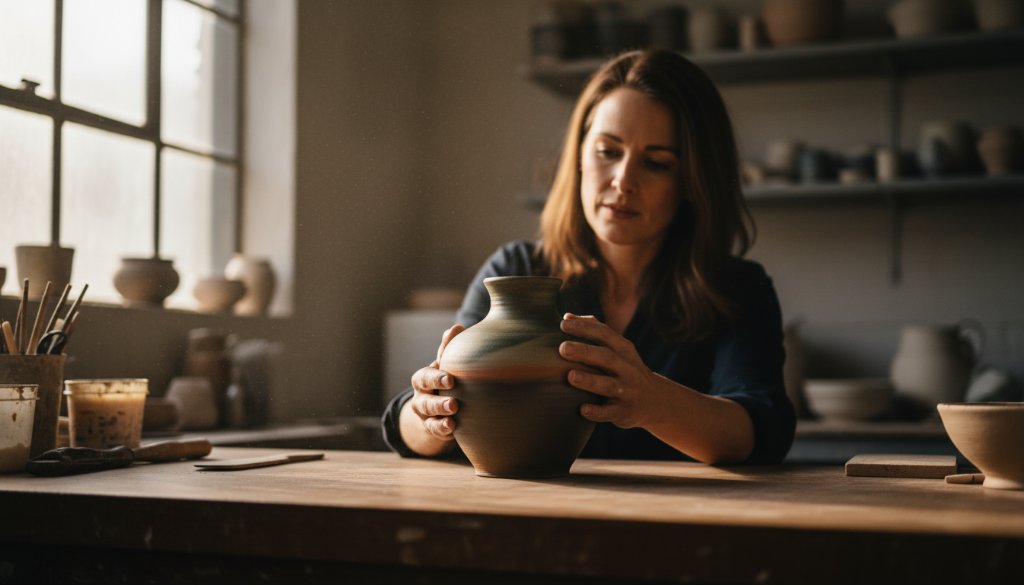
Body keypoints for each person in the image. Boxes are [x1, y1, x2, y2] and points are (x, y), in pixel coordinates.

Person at [382, 49, 795, 465]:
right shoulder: (516, 272)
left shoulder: (737, 288)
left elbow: (759, 430)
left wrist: (652, 400)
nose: (623, 181)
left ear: (692, 180)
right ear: (579, 156)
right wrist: (426, 415)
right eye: (607, 151)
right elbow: (414, 419)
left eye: (655, 163)